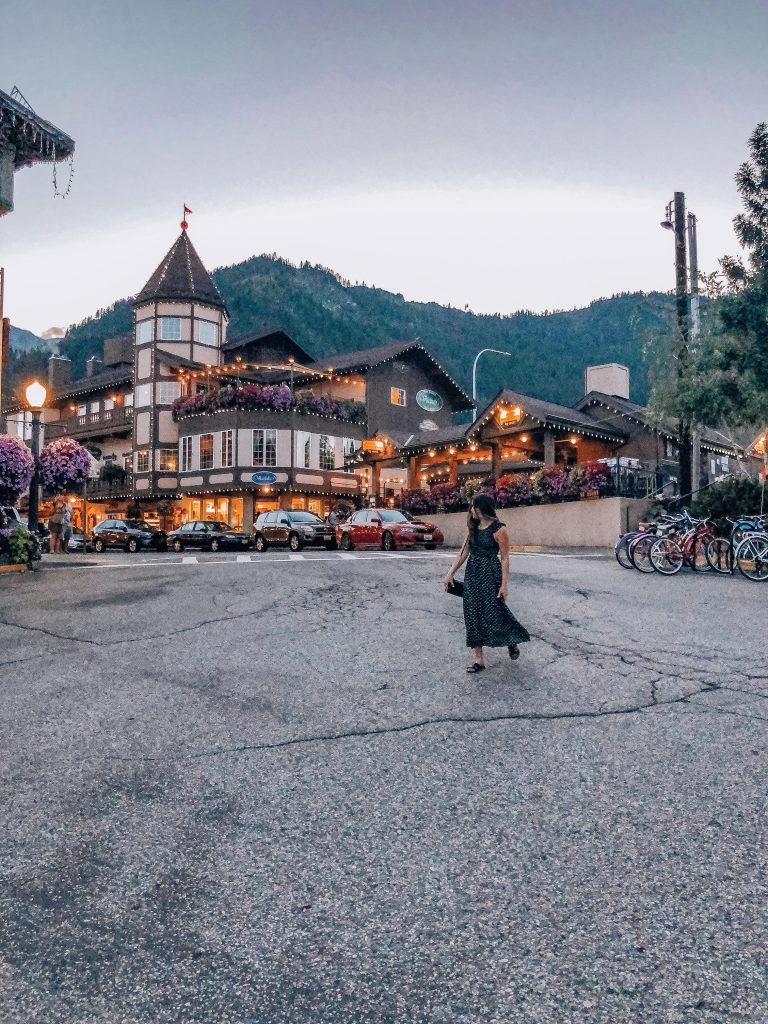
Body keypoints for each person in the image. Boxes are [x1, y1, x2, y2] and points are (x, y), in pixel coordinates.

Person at [444, 493, 530, 673]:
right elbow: (463, 553)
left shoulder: (499, 530)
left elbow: (505, 558)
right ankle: (478, 659)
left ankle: (511, 640)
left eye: (473, 506)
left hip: (491, 574)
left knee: (495, 611)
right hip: (473, 573)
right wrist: (450, 573)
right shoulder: (472, 528)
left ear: (481, 508)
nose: (471, 509)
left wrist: (504, 585)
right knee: (472, 613)